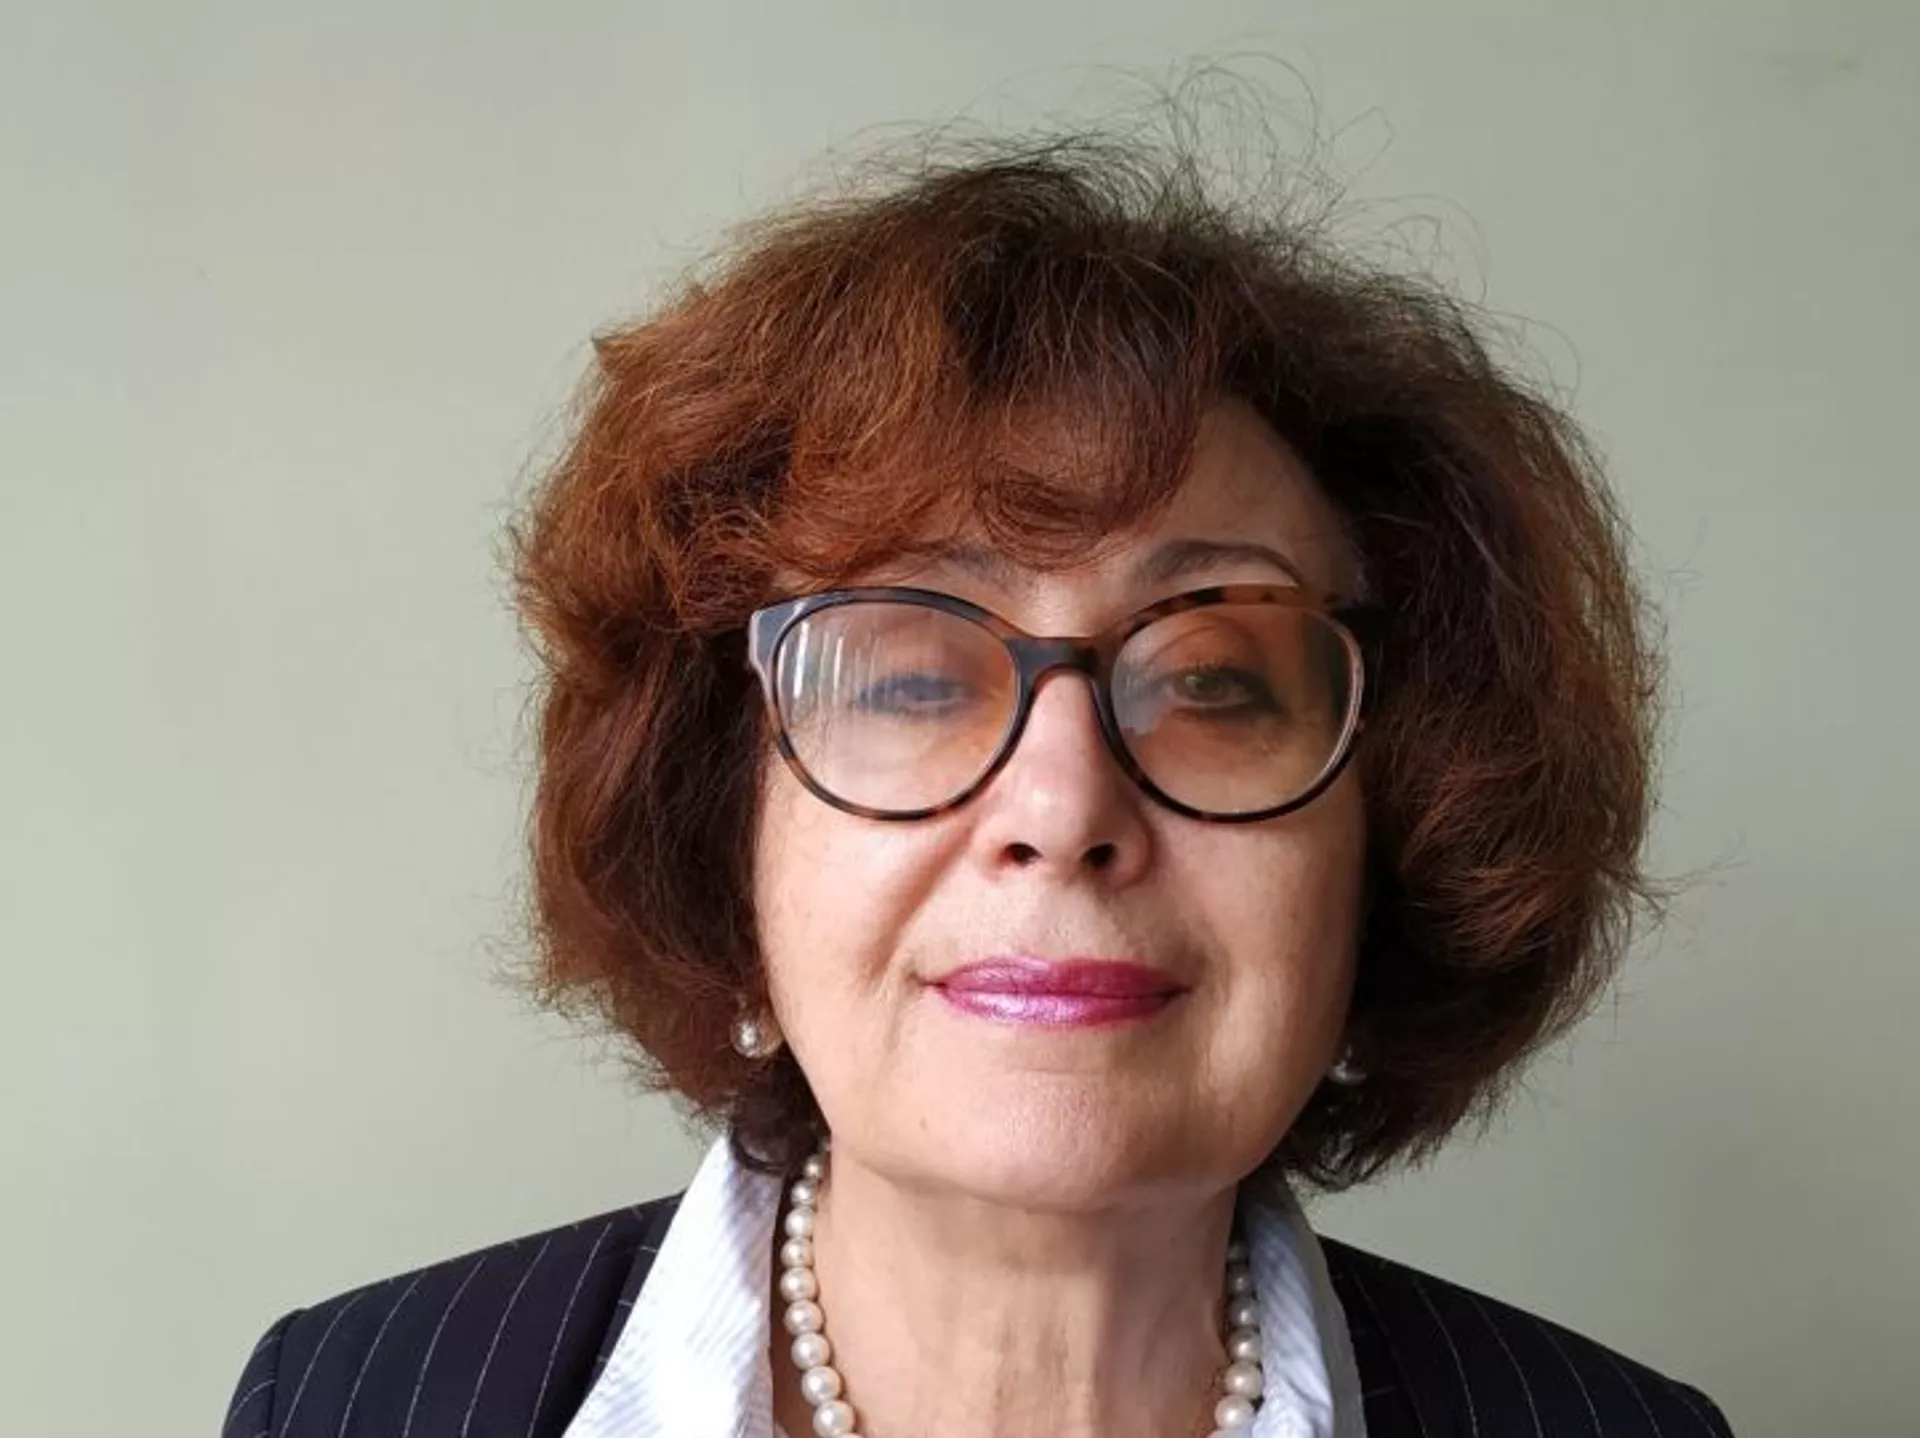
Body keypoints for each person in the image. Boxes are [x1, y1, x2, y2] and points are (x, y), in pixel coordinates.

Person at [222, 134, 1736, 1437]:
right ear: (722, 832)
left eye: (1214, 679)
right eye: (909, 679)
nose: (1062, 809)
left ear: (1389, 836)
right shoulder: (352, 1402)